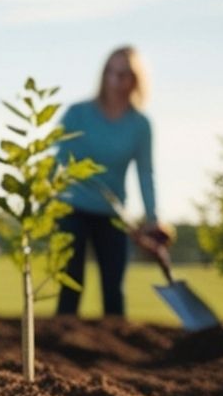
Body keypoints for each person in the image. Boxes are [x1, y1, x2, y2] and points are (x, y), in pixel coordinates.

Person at [55, 45, 167, 317]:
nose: (117, 80)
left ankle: (113, 355)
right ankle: (56, 351)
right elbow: (56, 160)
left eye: (125, 74)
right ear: (103, 75)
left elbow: (145, 173)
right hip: (72, 209)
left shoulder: (140, 125)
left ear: (136, 81)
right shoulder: (77, 114)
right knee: (71, 284)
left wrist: (152, 221)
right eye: (111, 73)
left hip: (113, 214)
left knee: (114, 289)